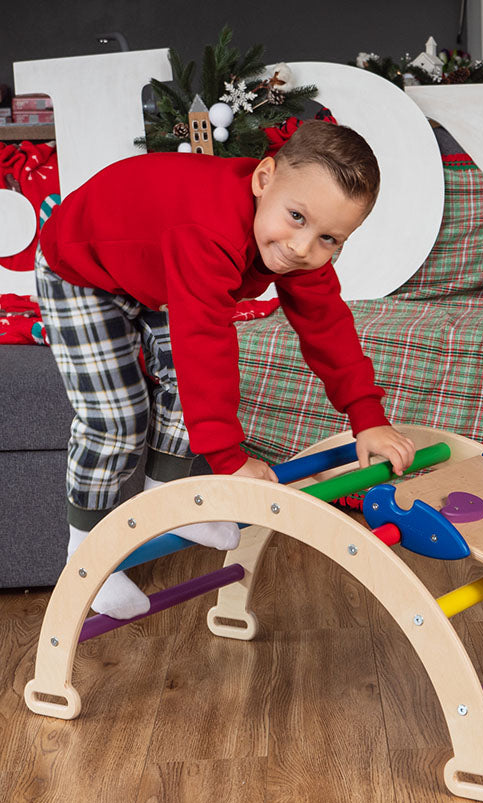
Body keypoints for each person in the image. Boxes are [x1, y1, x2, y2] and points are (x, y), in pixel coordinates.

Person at [35, 119, 416, 619]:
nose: (303, 248)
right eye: (296, 217)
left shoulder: (298, 246)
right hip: (82, 267)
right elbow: (204, 345)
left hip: (155, 268)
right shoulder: (209, 232)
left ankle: (171, 496)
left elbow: (326, 323)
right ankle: (85, 556)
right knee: (118, 418)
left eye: (330, 238)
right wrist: (228, 460)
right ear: (263, 179)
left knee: (181, 386)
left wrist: (367, 415)